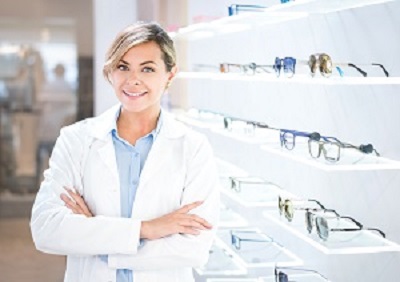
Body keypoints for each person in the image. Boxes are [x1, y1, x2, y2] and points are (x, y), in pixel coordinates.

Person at [30, 21, 220, 282]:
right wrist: (149, 229)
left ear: (170, 75)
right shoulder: (76, 140)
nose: (133, 80)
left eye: (148, 69)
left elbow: (194, 249)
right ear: (111, 71)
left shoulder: (193, 148)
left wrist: (99, 243)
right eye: (123, 67)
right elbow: (46, 229)